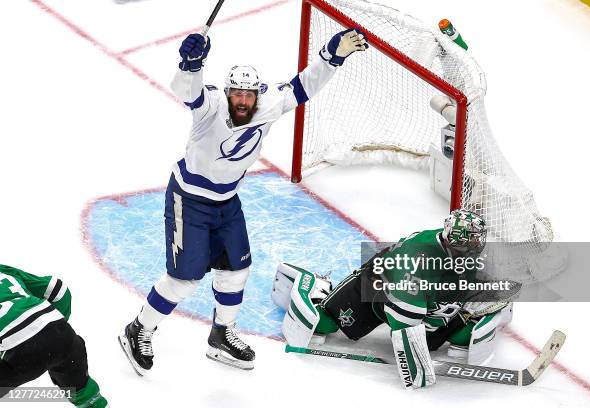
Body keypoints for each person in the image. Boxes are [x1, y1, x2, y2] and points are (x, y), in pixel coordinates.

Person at [119, 28, 369, 373]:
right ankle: (139, 329)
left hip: (227, 202)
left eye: (247, 95)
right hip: (189, 201)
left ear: (257, 95)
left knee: (237, 271)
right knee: (184, 281)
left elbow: (304, 86)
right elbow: (186, 90)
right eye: (236, 93)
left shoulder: (268, 105)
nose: (241, 101)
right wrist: (191, 64)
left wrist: (333, 54)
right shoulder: (211, 107)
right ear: (227, 93)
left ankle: (222, 335)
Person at [272, 210, 514, 389]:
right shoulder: (416, 260)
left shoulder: (460, 253)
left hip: (417, 294)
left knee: (447, 331)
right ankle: (316, 288)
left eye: (478, 239)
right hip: (375, 288)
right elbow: (403, 324)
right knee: (325, 324)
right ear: (456, 240)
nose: (477, 244)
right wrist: (416, 371)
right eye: (471, 240)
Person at [0, 264, 108, 406]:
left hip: (21, 352)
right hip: (63, 337)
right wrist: (50, 335)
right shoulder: (4, 271)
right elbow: (59, 291)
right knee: (85, 395)